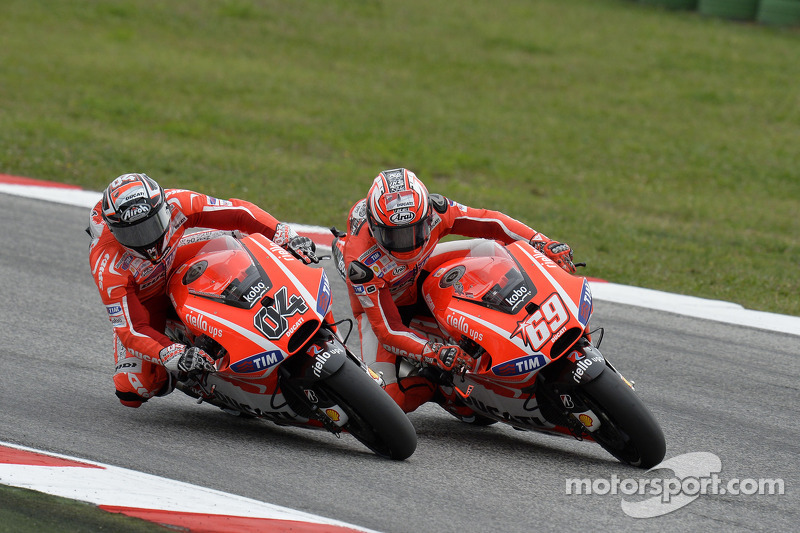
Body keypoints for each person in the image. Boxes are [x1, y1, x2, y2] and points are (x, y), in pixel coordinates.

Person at [332, 168, 576, 416]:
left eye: (415, 231)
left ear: (427, 216)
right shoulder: (361, 263)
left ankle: (525, 312)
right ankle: (438, 387)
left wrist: (541, 241)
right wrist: (433, 353)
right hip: (386, 306)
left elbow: (490, 221)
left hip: (422, 271)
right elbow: (388, 330)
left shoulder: (436, 209)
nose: (408, 243)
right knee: (386, 403)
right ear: (374, 229)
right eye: (394, 235)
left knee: (490, 249)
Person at [88, 173, 318, 408]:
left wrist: (286, 235)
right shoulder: (108, 265)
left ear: (164, 209)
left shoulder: (178, 202)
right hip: (146, 303)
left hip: (179, 258)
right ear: (114, 232)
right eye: (133, 234)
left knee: (245, 236)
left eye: (152, 226)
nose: (147, 241)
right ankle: (200, 371)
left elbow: (239, 212)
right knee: (133, 389)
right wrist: (171, 353)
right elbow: (132, 329)